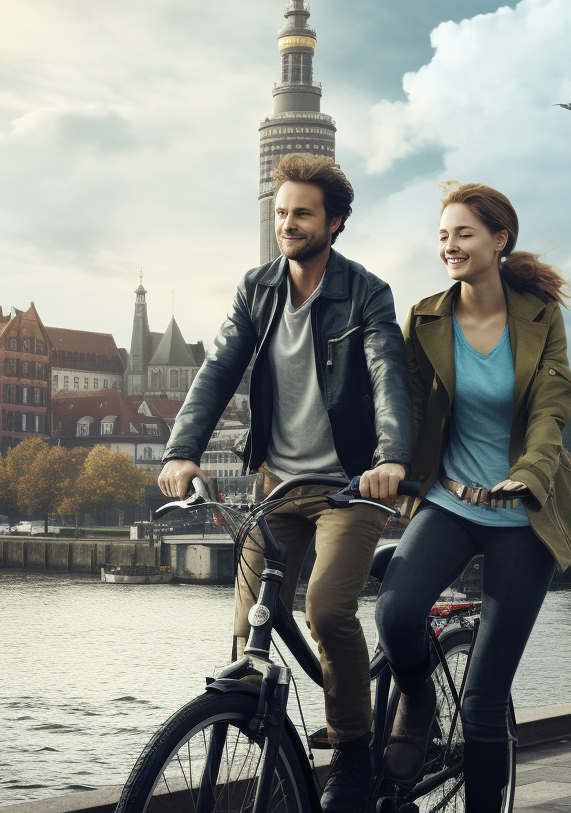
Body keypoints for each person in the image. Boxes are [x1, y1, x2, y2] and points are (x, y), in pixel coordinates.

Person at [158, 153, 412, 813]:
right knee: (249, 626)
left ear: (334, 222)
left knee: (327, 607)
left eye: (301, 213)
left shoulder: (366, 293)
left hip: (352, 485)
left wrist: (390, 458)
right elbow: (217, 370)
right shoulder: (257, 289)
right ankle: (267, 740)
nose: (287, 224)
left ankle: (354, 751)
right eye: (279, 213)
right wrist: (183, 449)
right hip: (278, 485)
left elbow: (388, 376)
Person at [375, 181, 571, 813]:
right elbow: (408, 407)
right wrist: (385, 465)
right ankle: (418, 701)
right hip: (450, 501)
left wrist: (533, 468)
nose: (450, 245)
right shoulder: (427, 317)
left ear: (500, 239)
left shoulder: (539, 317)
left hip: (519, 515)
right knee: (395, 614)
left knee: (483, 701)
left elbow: (552, 404)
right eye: (443, 235)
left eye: (464, 233)